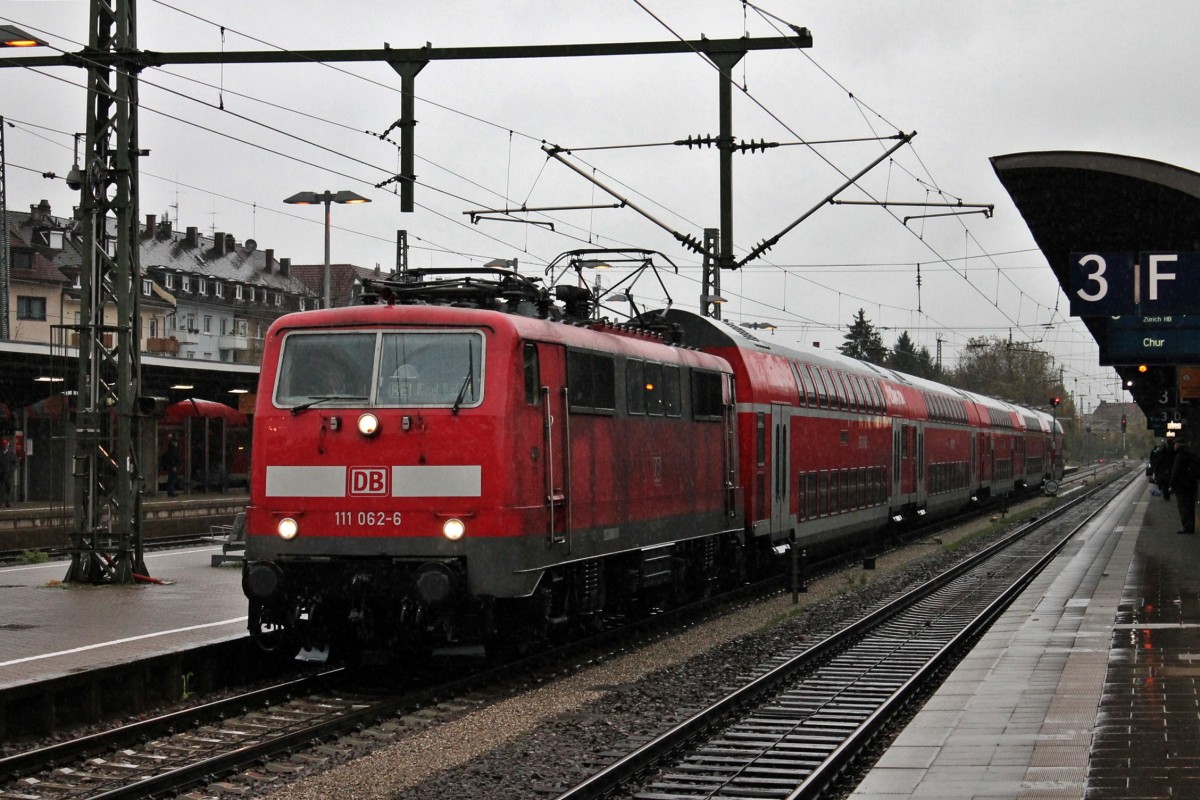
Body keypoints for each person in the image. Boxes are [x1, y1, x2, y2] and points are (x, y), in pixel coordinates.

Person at [1169, 439, 1198, 534]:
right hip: (1192, 484)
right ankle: (1191, 526)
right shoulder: (1191, 454)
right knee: (1190, 507)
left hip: (1182, 486)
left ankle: (1186, 527)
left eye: (1175, 444)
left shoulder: (1179, 456)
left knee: (1183, 506)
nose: (1174, 446)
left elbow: (1176, 471)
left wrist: (1171, 485)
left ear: (1178, 445)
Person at [0, 438, 17, 507]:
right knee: (1, 488)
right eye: (4, 445)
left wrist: (11, 470)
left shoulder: (11, 454)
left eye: (6, 445)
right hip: (1, 474)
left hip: (8, 474)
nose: (5, 446)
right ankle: (1, 501)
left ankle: (8, 501)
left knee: (8, 488)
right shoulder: (1, 454)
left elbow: (15, 463)